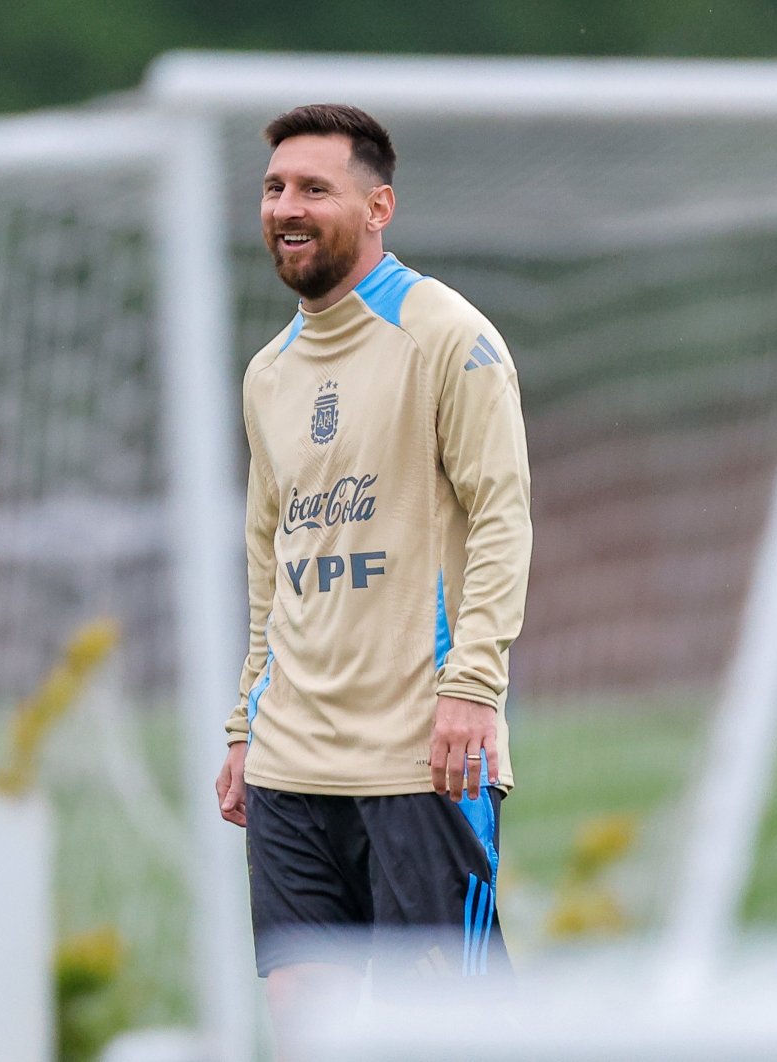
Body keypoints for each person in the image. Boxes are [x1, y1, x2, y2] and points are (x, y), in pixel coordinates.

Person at [214, 103, 532, 1029]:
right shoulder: (268, 372)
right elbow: (271, 558)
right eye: (275, 188)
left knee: (441, 1036)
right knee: (305, 1028)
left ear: (379, 204)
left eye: (315, 187)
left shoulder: (447, 336)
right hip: (291, 761)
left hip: (421, 760)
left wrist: (473, 683)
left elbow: (503, 517)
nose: (287, 206)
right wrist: (246, 721)